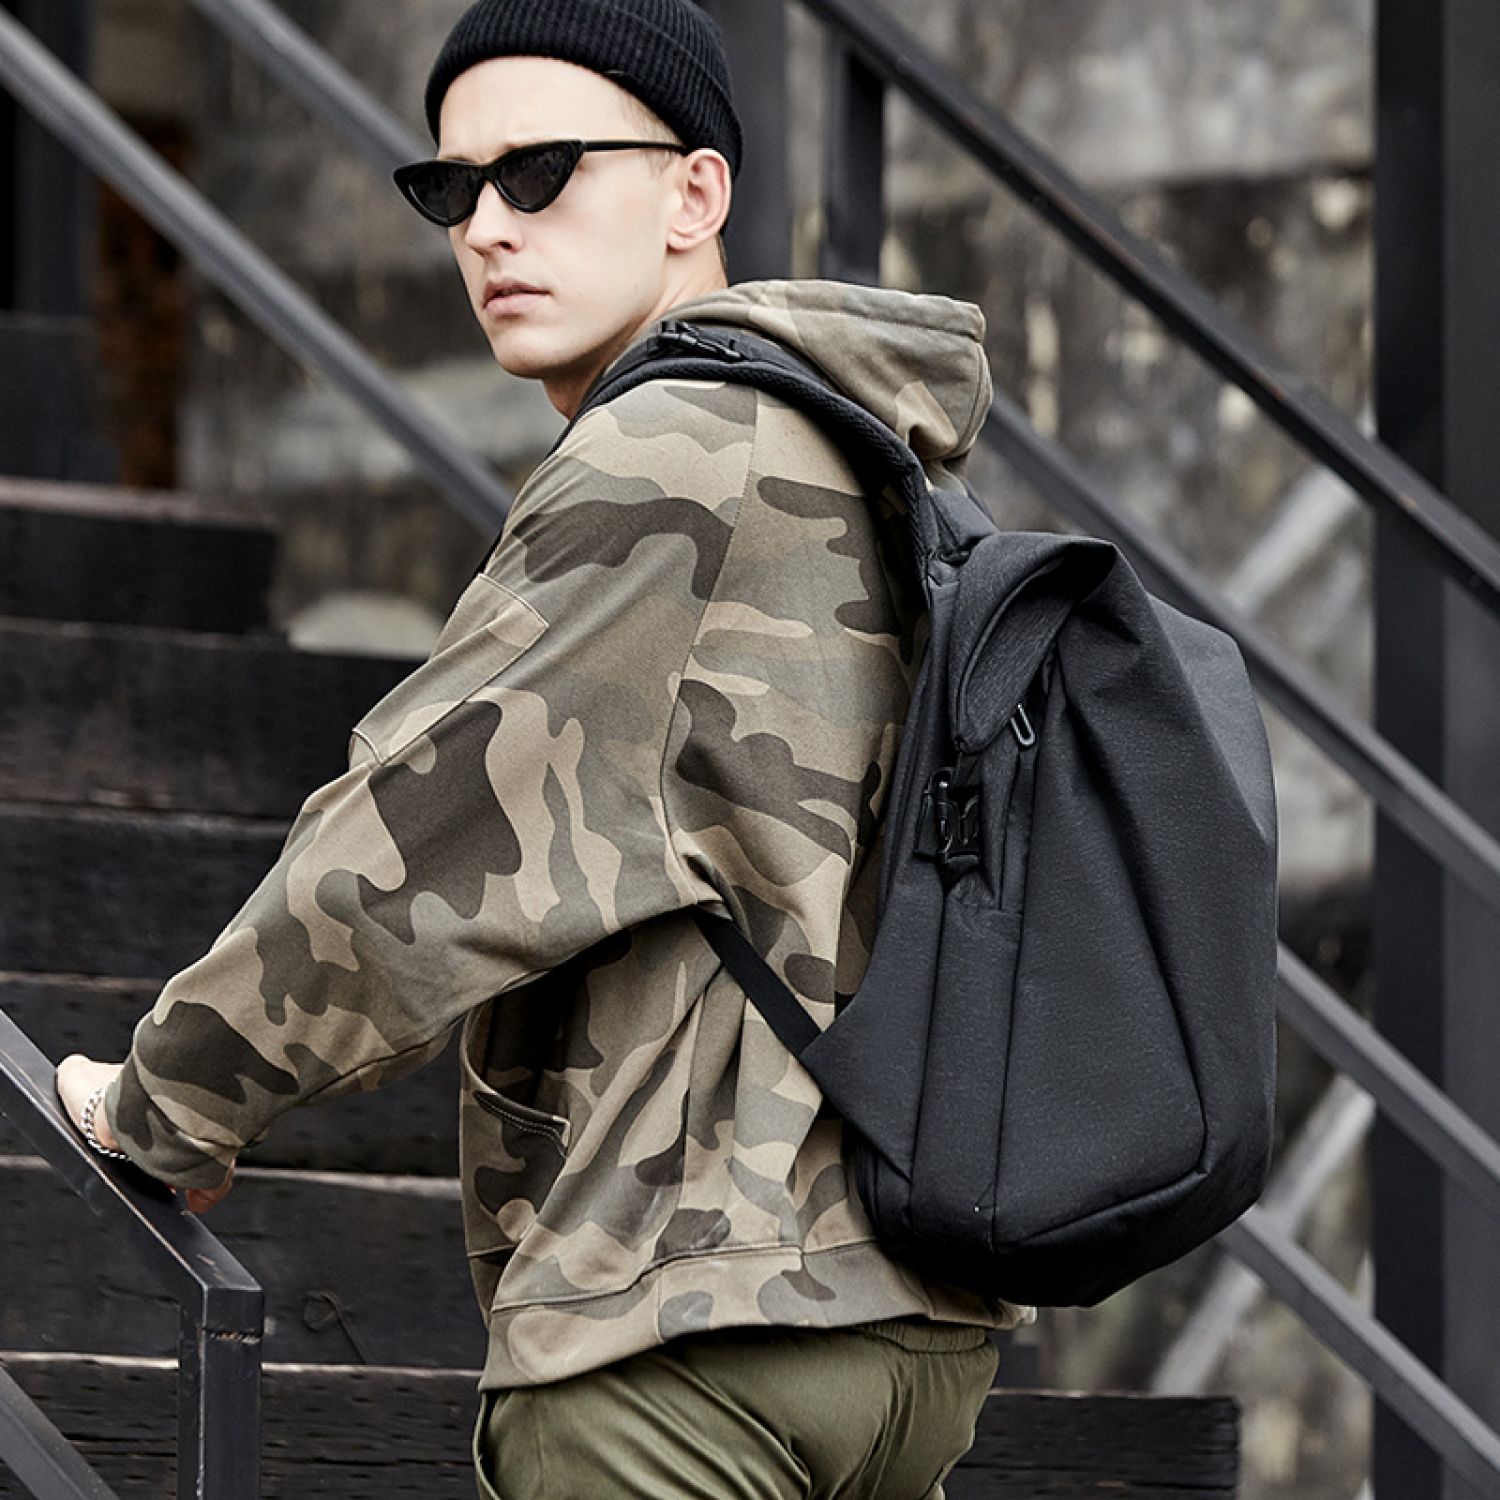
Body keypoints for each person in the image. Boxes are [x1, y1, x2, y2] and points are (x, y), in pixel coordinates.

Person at [57, 0, 1036, 1493]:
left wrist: (166, 1105)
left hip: (691, 1327)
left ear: (695, 194)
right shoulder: (861, 452)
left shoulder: (670, 454)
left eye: (541, 172)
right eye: (451, 186)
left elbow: (415, 841)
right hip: (902, 1314)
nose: (487, 227)